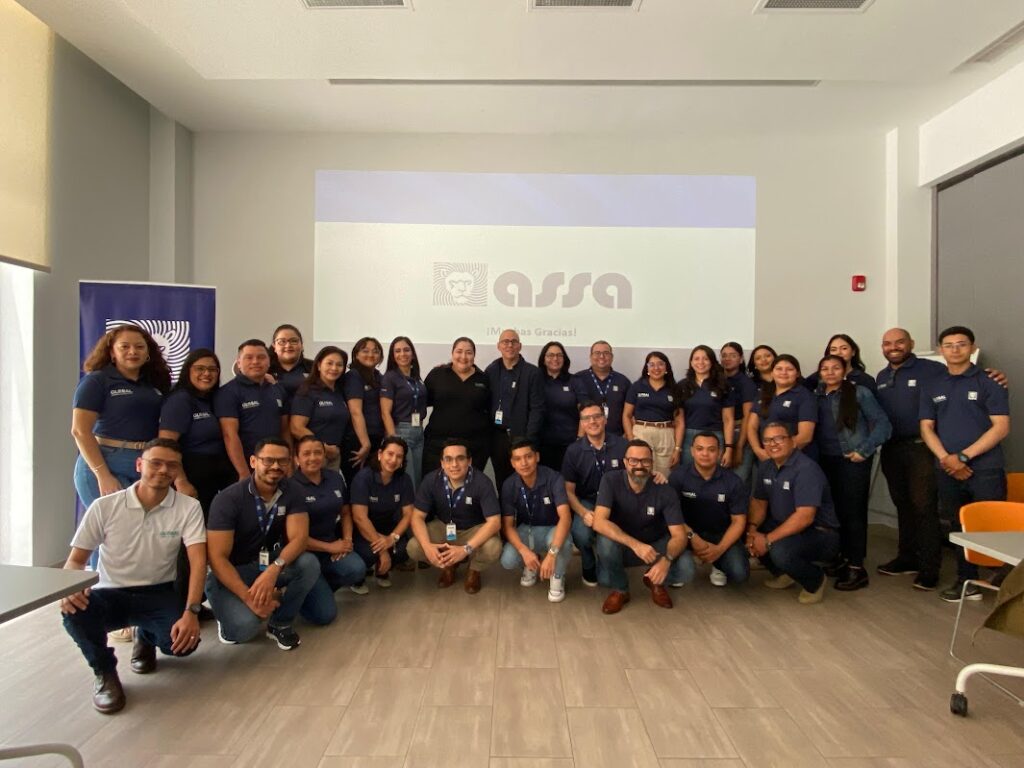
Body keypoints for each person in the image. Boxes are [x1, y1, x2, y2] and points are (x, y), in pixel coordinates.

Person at [60, 438, 206, 714]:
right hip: (109, 593)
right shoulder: (105, 506)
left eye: (171, 465)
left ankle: (146, 635)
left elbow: (198, 562)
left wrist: (192, 612)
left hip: (158, 592)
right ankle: (105, 673)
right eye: (156, 463)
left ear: (178, 471)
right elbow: (76, 561)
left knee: (183, 646)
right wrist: (69, 589)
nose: (163, 470)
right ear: (139, 465)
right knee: (73, 611)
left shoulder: (188, 507)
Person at [920, 325, 1011, 602]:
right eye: (949, 345)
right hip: (947, 468)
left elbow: (1001, 427)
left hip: (985, 469)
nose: (955, 349)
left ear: (973, 348)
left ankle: (1007, 586)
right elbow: (926, 427)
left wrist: (963, 457)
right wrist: (946, 459)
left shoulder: (990, 381)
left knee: (993, 527)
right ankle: (966, 581)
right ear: (941, 350)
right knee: (958, 527)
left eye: (961, 344)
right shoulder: (933, 385)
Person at [205, 437, 320, 649]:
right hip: (232, 571)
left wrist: (274, 570)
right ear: (253, 461)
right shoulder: (228, 499)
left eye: (282, 461)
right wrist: (249, 598)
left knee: (308, 563)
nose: (275, 466)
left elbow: (300, 539)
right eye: (268, 460)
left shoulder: (292, 490)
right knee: (245, 628)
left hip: (265, 562)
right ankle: (228, 617)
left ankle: (280, 623)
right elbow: (217, 558)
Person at [72, 324, 171, 511]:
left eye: (139, 347)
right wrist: (102, 475)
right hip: (105, 462)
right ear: (112, 352)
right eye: (124, 346)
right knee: (114, 527)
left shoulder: (154, 383)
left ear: (148, 353)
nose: (132, 352)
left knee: (143, 525)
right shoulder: (97, 381)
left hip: (144, 464)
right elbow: (80, 431)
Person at [814, 354, 892, 591]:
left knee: (854, 514)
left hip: (852, 460)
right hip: (824, 461)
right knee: (835, 513)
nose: (830, 372)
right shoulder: (816, 395)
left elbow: (884, 425)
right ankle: (842, 559)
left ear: (845, 370)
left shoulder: (859, 393)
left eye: (835, 368)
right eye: (825, 369)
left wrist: (864, 450)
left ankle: (857, 567)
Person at [592, 440, 692, 614]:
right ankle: (621, 589)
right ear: (625, 462)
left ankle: (655, 580)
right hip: (623, 545)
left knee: (687, 569)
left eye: (645, 461)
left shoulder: (665, 490)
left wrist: (666, 560)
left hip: (655, 545)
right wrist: (635, 545)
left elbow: (679, 535)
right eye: (633, 460)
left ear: (652, 463)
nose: (639, 465)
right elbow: (599, 522)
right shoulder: (610, 480)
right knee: (605, 572)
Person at [746, 423, 840, 605]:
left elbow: (805, 517)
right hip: (785, 524)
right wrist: (752, 530)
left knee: (779, 550)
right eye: (767, 440)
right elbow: (759, 502)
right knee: (746, 530)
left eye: (779, 438)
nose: (773, 444)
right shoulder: (766, 466)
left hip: (819, 533)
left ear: (793, 442)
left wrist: (767, 540)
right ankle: (785, 574)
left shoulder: (806, 469)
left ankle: (815, 581)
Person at [407, 438, 502, 594]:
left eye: (460, 458)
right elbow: (417, 516)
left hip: (473, 529)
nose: (454, 464)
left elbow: (495, 522)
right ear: (442, 463)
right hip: (443, 527)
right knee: (414, 547)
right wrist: (427, 547)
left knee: (493, 547)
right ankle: (448, 565)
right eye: (448, 459)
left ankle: (474, 570)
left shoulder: (482, 482)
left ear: (469, 461)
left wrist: (465, 549)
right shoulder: (431, 480)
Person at [291, 434, 366, 620]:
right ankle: (301, 592)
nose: (313, 458)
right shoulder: (290, 487)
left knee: (357, 569)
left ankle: (318, 588)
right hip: (303, 554)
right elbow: (294, 538)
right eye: (306, 453)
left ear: (325, 456)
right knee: (325, 616)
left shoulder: (334, 478)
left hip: (331, 546)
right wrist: (330, 547)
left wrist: (346, 540)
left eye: (318, 453)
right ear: (296, 458)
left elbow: (346, 512)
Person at [562, 401, 630, 587]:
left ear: (605, 419)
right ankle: (588, 561)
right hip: (587, 502)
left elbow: (637, 472)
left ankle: (609, 558)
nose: (592, 421)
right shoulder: (573, 451)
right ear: (582, 424)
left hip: (616, 502)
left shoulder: (622, 445)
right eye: (587, 418)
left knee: (606, 579)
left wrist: (655, 475)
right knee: (580, 534)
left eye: (597, 416)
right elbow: (568, 491)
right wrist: (583, 512)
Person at [159, 349, 234, 514]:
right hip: (191, 475)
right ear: (188, 371)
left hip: (215, 477)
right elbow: (166, 444)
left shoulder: (213, 398)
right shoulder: (180, 399)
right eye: (200, 368)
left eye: (212, 369)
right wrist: (180, 481)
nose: (207, 373)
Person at [669, 432, 749, 587]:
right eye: (700, 449)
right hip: (686, 534)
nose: (705, 454)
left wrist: (719, 550)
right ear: (692, 451)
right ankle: (686, 560)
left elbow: (739, 521)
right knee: (685, 571)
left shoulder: (733, 481)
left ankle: (717, 564)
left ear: (719, 452)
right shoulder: (678, 476)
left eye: (711, 450)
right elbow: (671, 515)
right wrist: (692, 537)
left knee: (740, 573)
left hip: (720, 534)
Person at [499, 439, 573, 602]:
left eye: (528, 457)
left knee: (563, 544)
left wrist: (551, 554)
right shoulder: (509, 484)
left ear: (537, 457)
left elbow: (565, 518)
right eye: (518, 459)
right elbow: (508, 525)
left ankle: (558, 576)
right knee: (508, 560)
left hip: (553, 528)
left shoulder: (554, 478)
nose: (524, 463)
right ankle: (532, 563)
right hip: (527, 529)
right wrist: (524, 551)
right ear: (512, 463)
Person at [215, 339, 289, 481]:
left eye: (261, 357)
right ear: (238, 363)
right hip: (244, 469)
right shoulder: (228, 392)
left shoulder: (278, 390)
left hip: (276, 466)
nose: (255, 362)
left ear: (268, 362)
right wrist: (243, 473)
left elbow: (285, 430)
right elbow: (230, 435)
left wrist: (288, 464)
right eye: (249, 357)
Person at [350, 435, 416, 586]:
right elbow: (360, 518)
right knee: (369, 553)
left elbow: (408, 514)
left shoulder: (404, 479)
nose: (393, 460)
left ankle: (382, 571)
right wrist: (382, 550)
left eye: (399, 456)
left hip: (388, 528)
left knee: (403, 550)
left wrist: (392, 538)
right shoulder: (363, 478)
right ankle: (359, 577)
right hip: (363, 529)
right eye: (390, 454)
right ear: (380, 454)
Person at [485, 329, 546, 494]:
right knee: (502, 483)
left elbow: (537, 410)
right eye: (505, 342)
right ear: (498, 346)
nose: (509, 345)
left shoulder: (532, 373)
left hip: (523, 438)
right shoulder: (491, 371)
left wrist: (528, 440)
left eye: (513, 341)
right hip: (498, 438)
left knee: (526, 483)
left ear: (520, 346)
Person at [423, 337, 491, 474]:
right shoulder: (437, 374)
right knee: (434, 484)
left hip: (473, 448)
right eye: (459, 351)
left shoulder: (483, 379)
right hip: (437, 446)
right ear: (452, 353)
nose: (463, 357)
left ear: (474, 355)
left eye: (468, 352)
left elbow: (489, 409)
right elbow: (422, 403)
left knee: (470, 486)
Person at [746, 354, 817, 462]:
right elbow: (752, 426)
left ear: (797, 374)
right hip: (764, 457)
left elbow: (805, 436)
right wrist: (757, 450)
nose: (784, 373)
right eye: (779, 369)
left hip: (794, 459)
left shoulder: (805, 396)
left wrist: (776, 453)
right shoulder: (764, 393)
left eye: (789, 369)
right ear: (772, 373)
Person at [290, 346, 350, 472]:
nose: (334, 368)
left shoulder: (340, 392)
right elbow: (296, 428)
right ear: (318, 365)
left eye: (339, 365)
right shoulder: (308, 391)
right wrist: (323, 448)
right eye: (329, 363)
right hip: (312, 455)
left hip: (333, 456)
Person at [623, 351, 683, 477]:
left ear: (666, 368)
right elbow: (626, 415)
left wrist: (677, 449)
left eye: (660, 364)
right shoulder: (637, 387)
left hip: (666, 435)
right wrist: (631, 439)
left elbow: (680, 421)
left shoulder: (674, 389)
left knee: (664, 476)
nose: (656, 368)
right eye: (652, 364)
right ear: (647, 368)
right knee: (641, 474)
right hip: (641, 433)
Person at [677, 345, 736, 469]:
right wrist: (677, 448)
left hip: (715, 435)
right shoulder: (682, 385)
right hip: (688, 437)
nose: (701, 362)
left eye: (705, 359)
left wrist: (729, 448)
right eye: (696, 359)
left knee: (714, 474)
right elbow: (679, 420)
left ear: (712, 362)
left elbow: (728, 419)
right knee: (688, 473)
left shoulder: (722, 385)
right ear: (691, 362)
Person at [380, 336, 427, 488]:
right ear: (393, 356)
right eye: (398, 351)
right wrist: (393, 440)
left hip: (418, 431)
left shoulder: (416, 378)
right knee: (408, 479)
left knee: (418, 479)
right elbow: (385, 412)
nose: (402, 354)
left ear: (412, 353)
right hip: (401, 432)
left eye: (406, 350)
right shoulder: (390, 377)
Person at [342, 337, 386, 485]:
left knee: (373, 484)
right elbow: (355, 411)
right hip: (358, 441)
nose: (371, 354)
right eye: (365, 351)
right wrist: (365, 443)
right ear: (356, 354)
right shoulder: (354, 376)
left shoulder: (379, 376)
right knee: (358, 483)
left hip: (376, 438)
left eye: (375, 351)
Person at [571, 340, 631, 435]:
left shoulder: (623, 381)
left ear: (612, 357)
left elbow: (629, 413)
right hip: (585, 438)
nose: (602, 356)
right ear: (591, 357)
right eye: (597, 353)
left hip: (617, 437)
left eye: (606, 353)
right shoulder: (578, 379)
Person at [720, 342, 759, 485]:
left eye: (733, 355)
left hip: (739, 433)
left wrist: (740, 446)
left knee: (738, 481)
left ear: (741, 359)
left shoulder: (746, 383)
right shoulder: (717, 380)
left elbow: (748, 417)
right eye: (724, 355)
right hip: (720, 433)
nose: (727, 359)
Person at [536, 341, 578, 473]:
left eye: (559, 355)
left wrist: (580, 439)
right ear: (543, 359)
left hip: (569, 444)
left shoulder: (574, 381)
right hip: (541, 444)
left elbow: (584, 410)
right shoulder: (535, 380)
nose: (555, 359)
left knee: (568, 481)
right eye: (550, 355)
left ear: (564, 359)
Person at [804, 334, 878, 393]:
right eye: (833, 349)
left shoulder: (865, 379)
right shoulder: (817, 377)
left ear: (853, 352)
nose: (838, 353)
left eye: (844, 348)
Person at [268, 323, 314, 401]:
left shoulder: (314, 367)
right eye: (282, 341)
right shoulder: (266, 369)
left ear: (302, 345)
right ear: (274, 346)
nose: (288, 345)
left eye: (294, 341)